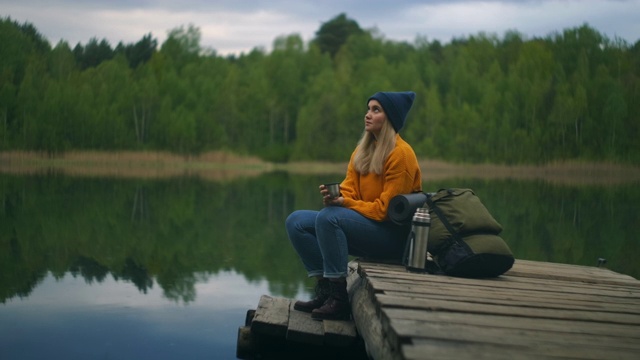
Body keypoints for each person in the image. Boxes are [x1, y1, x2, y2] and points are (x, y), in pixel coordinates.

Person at [285, 91, 422, 321]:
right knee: (296, 221)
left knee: (330, 217)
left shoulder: (401, 155)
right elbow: (349, 190)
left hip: (394, 238)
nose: (367, 115)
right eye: (368, 109)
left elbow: (384, 211)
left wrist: (344, 203)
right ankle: (326, 291)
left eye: (376, 110)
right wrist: (335, 197)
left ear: (390, 118)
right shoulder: (362, 151)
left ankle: (339, 300)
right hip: (367, 229)